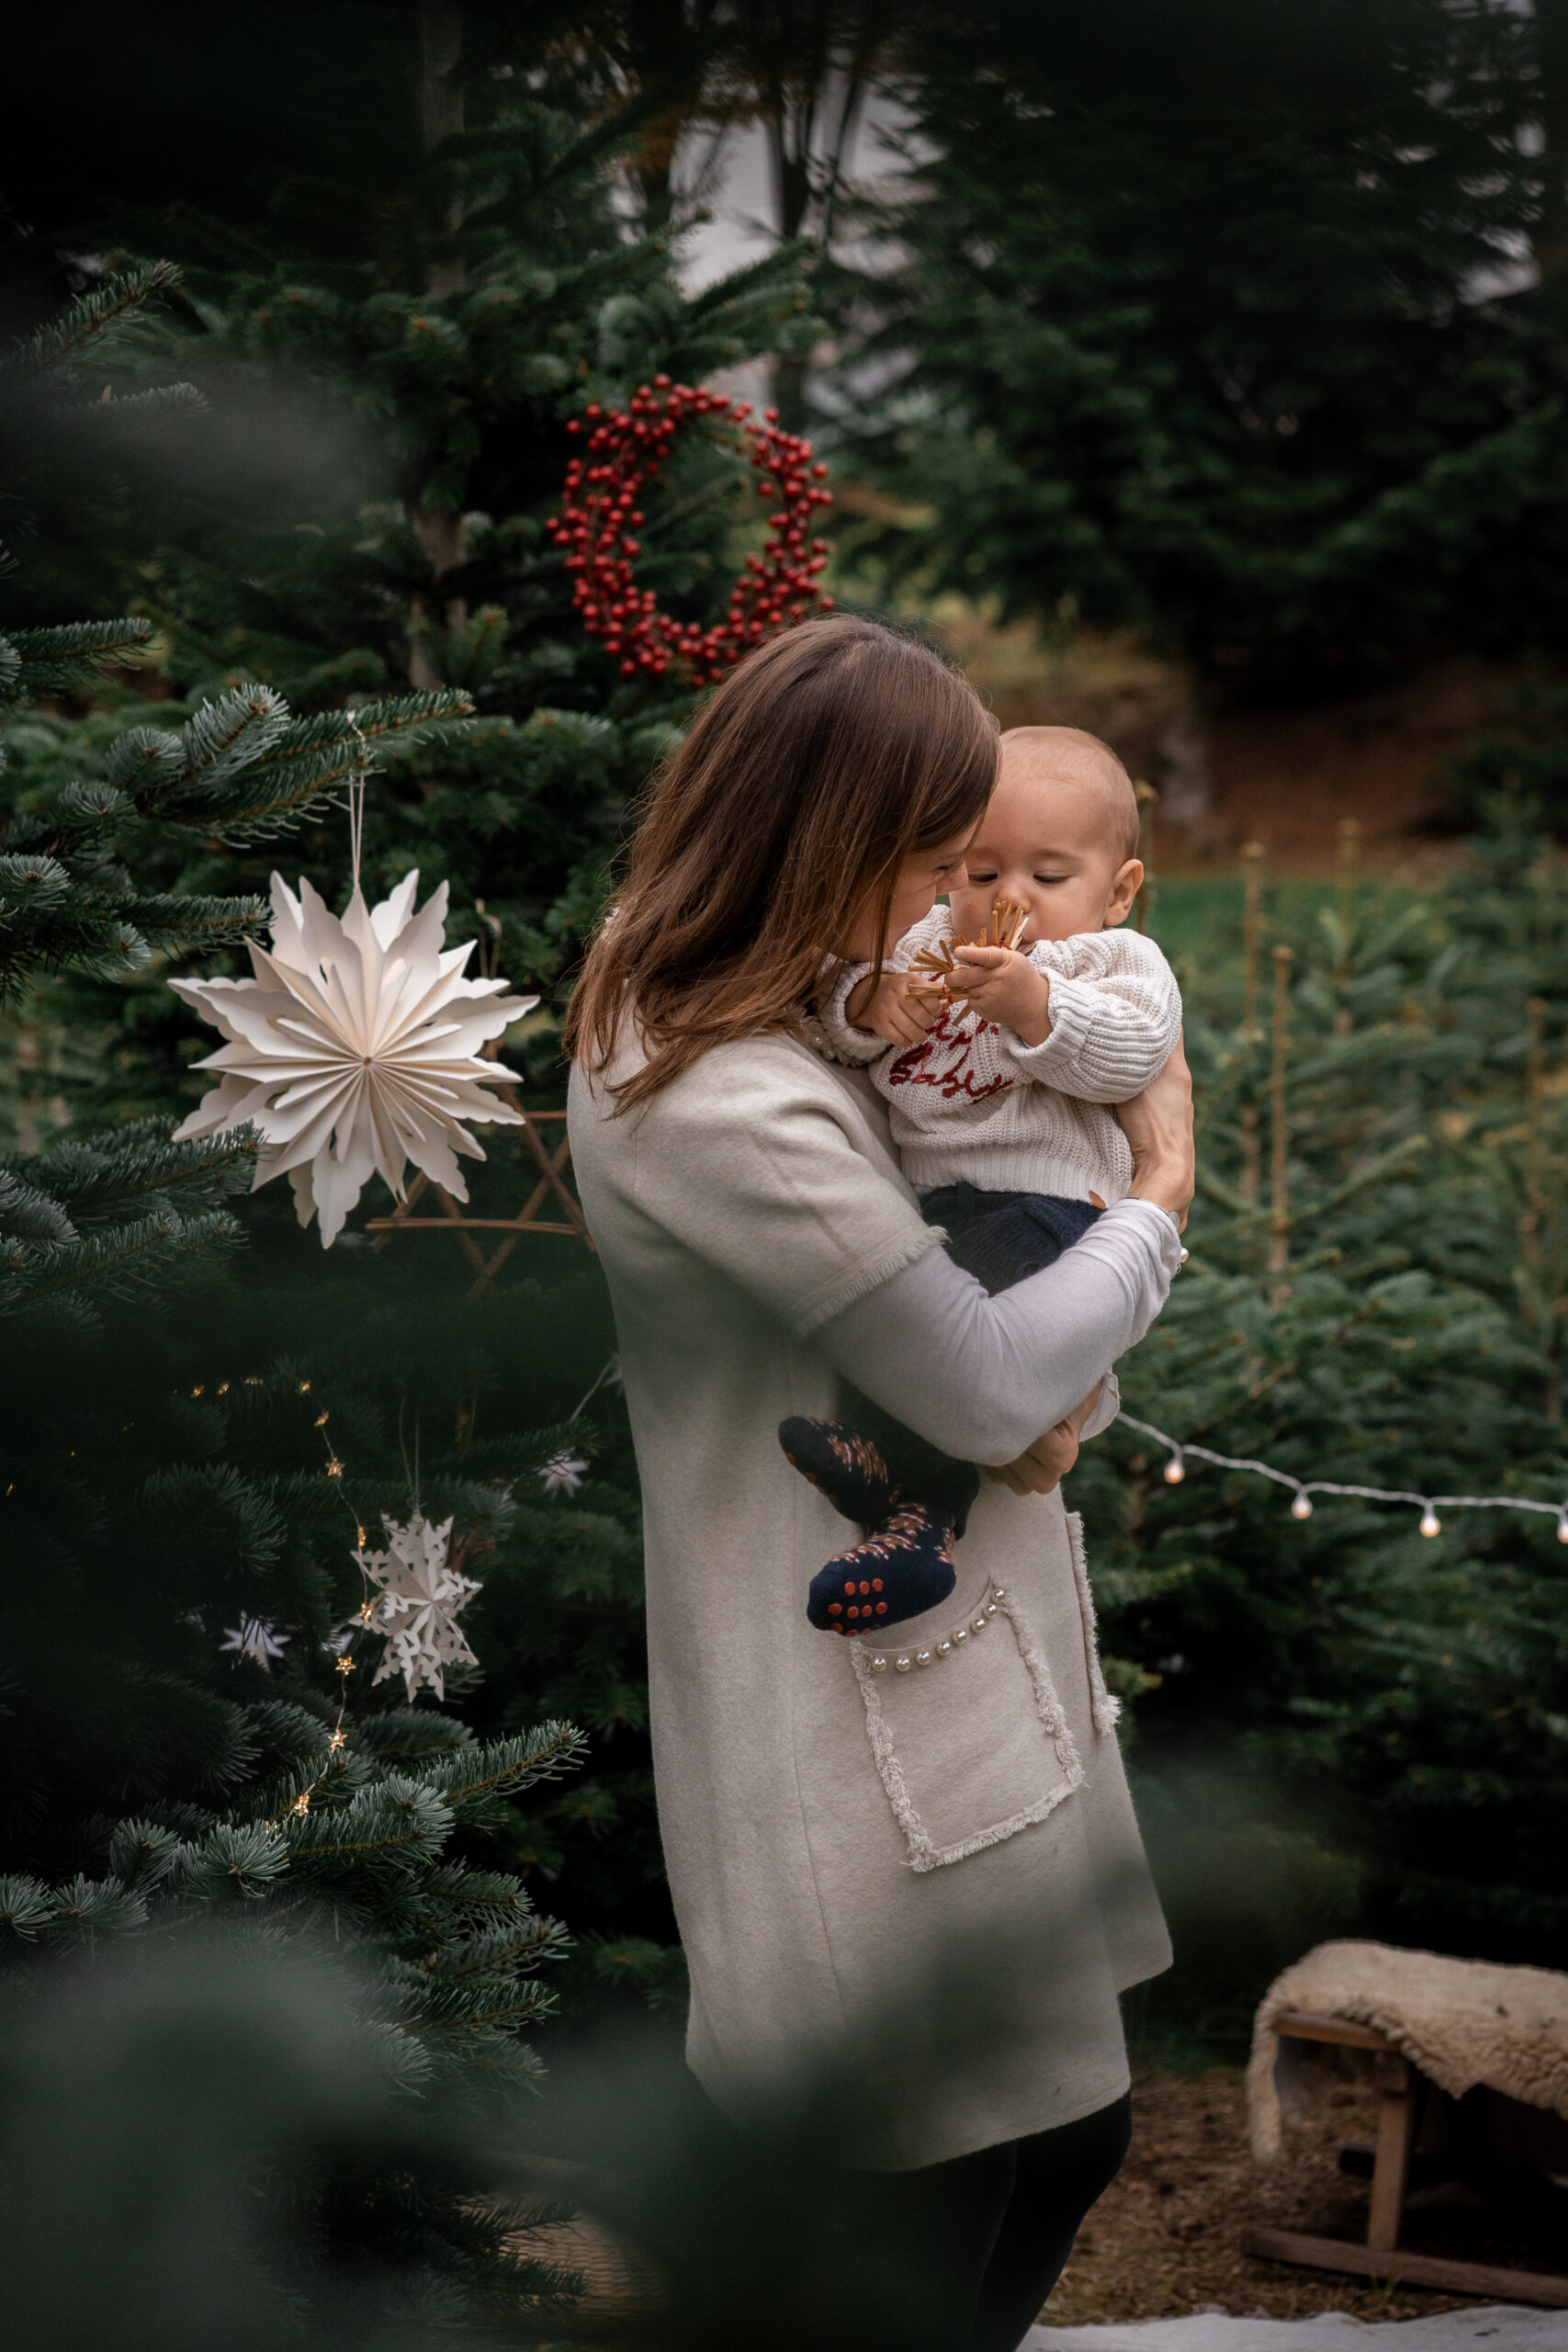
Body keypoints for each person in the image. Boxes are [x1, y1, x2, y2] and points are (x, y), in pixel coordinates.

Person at [566, 616, 1194, 2352]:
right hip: (847, 1727)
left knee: (1070, 2136)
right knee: (924, 2202)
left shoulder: (767, 990)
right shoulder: (709, 1089)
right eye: (925, 860)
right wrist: (1162, 1189)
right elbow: (988, 1382)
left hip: (973, 1671)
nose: (949, 903)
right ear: (818, 840)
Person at [786, 724, 1182, 1634]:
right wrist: (866, 1003)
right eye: (978, 870)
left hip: (1047, 1206)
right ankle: (899, 1497)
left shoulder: (1109, 962)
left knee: (960, 1324)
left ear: (1119, 890)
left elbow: (1133, 1058)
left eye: (1048, 877)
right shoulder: (924, 941)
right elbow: (834, 1005)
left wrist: (1036, 1006)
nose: (1010, 898)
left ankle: (911, 1501)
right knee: (890, 1308)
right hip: (930, 1201)